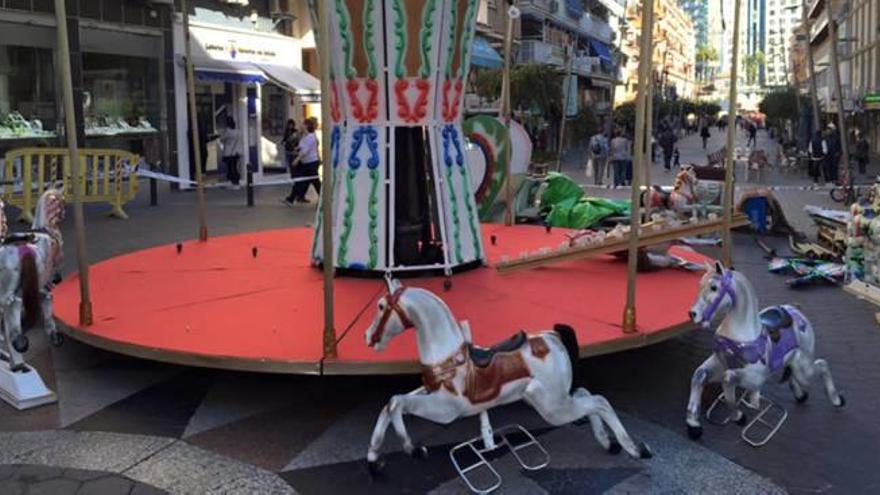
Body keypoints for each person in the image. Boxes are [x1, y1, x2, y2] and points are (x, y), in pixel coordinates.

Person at [283, 118, 321, 205]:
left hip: (311, 163)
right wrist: (296, 149)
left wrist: (297, 159)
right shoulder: (304, 136)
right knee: (300, 180)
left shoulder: (311, 137)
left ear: (307, 126)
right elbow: (301, 147)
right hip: (305, 163)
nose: (300, 126)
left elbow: (305, 151)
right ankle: (291, 198)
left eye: (302, 124)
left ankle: (324, 198)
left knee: (315, 182)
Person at [219, 116, 242, 189]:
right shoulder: (238, 131)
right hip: (236, 152)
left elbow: (222, 138)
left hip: (229, 153)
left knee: (230, 168)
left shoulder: (228, 131)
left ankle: (233, 182)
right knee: (234, 167)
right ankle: (236, 182)